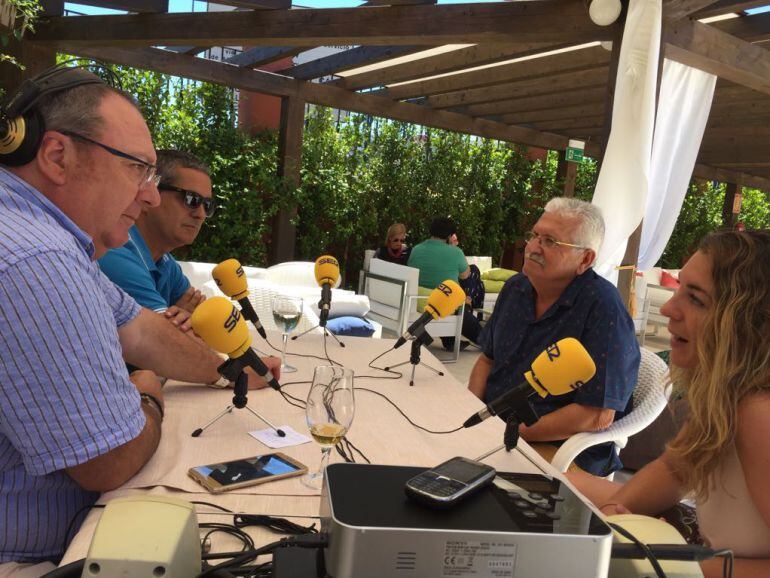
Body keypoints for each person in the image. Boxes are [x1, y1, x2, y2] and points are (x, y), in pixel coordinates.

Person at [0, 65, 278, 572]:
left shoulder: (52, 242)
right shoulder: (38, 258)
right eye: (137, 169)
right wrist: (147, 395)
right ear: (57, 156)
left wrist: (232, 370)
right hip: (28, 559)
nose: (149, 195)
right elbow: (108, 461)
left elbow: (143, 331)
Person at [569, 230, 770, 578]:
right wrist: (617, 513)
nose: (668, 309)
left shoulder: (759, 413)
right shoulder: (728, 395)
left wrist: (676, 564)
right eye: (679, 289)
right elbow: (677, 468)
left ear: (748, 323)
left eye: (696, 299)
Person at [468, 198, 640, 476]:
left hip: (560, 448)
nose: (533, 247)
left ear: (585, 259)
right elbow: (487, 360)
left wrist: (511, 432)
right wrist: (473, 413)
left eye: (550, 241)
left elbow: (596, 415)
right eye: (534, 235)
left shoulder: (604, 308)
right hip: (493, 427)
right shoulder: (515, 288)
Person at [99, 150, 213, 333]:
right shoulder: (116, 253)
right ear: (150, 196)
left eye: (207, 205)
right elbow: (168, 343)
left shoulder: (166, 263)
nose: (200, 214)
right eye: (191, 199)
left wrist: (181, 326)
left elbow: (201, 330)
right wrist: (179, 328)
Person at [407, 217, 482, 348]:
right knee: (473, 272)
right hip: (444, 302)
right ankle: (469, 309)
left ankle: (451, 339)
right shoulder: (456, 252)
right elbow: (465, 275)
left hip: (418, 300)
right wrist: (454, 250)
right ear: (449, 235)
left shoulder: (416, 249)